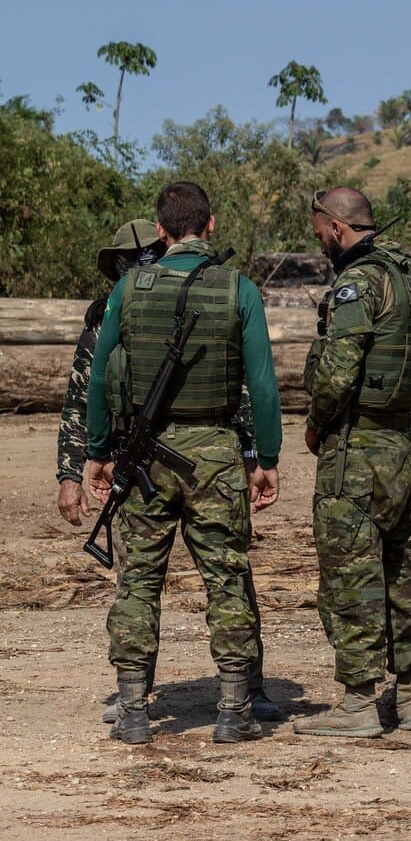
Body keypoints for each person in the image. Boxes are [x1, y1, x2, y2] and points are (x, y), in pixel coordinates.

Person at [59, 223, 283, 729]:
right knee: (220, 576)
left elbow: (96, 389)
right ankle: (225, 706)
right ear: (207, 226)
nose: (132, 265)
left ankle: (156, 705)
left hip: (145, 462)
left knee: (145, 581)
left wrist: (95, 453)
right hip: (186, 456)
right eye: (124, 259)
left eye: (142, 254)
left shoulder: (133, 298)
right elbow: (85, 393)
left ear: (162, 236)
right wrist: (264, 456)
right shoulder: (231, 288)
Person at [294, 187, 411, 739]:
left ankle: (358, 703)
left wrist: (315, 424)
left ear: (336, 226)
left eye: (319, 233)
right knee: (404, 570)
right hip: (403, 444)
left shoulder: (359, 282)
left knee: (351, 575)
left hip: (356, 451)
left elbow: (338, 373)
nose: (320, 244)